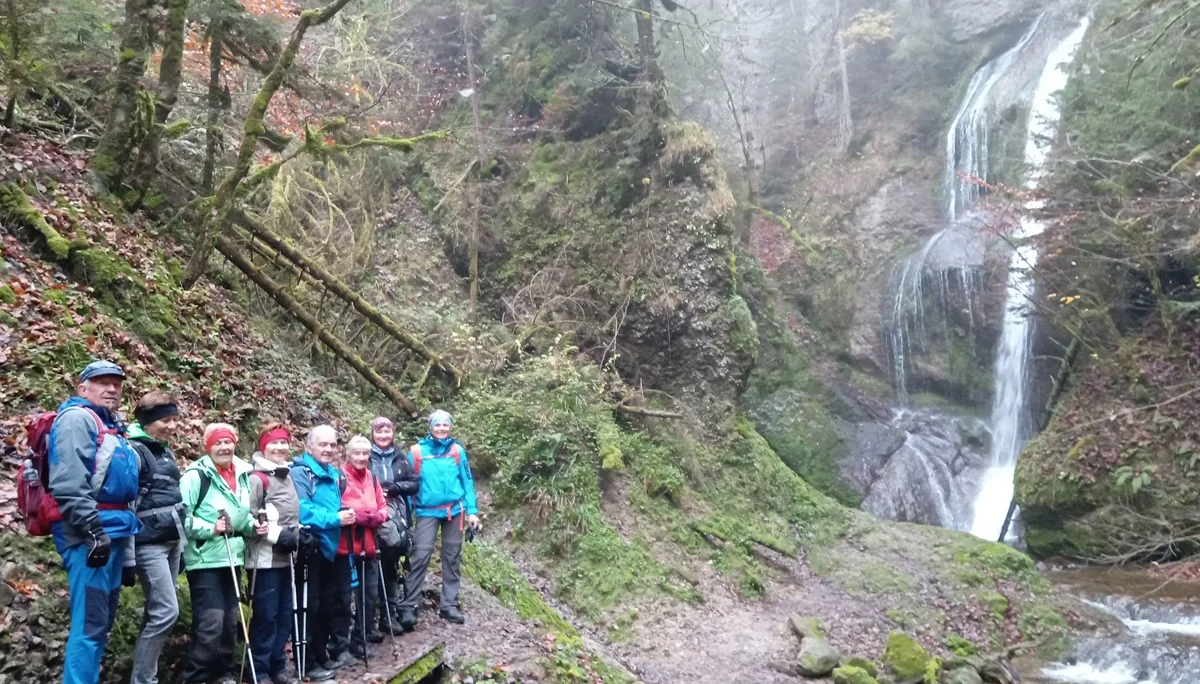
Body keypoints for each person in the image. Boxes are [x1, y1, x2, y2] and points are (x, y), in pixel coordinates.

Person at [47, 360, 141, 684]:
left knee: (99, 623)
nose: (112, 388)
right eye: (102, 382)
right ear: (82, 388)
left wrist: (126, 556)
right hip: (88, 536)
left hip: (112, 533)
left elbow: (125, 496)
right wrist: (92, 530)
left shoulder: (113, 426)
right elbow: (68, 483)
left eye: (116, 383)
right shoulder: (76, 419)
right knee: (89, 626)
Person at [179, 423, 266, 684]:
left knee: (230, 622)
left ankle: (222, 674)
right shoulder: (195, 477)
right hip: (204, 560)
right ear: (207, 446)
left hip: (232, 557)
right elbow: (180, 519)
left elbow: (241, 517)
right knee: (210, 625)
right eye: (218, 443)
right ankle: (195, 678)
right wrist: (211, 528)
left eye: (228, 442)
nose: (224, 447)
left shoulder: (241, 473)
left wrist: (254, 526)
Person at [398, 410, 481, 629]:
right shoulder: (416, 453)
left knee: (452, 557)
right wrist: (405, 516)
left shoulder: (457, 451)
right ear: (430, 427)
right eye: (438, 425)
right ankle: (409, 606)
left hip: (455, 510)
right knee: (420, 555)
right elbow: (408, 485)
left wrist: (472, 511)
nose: (442, 429)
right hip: (426, 511)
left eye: (446, 425)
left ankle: (449, 605)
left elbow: (467, 482)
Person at [127, 391, 185, 684]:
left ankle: (144, 676)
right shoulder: (135, 452)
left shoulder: (164, 449)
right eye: (166, 420)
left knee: (156, 612)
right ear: (148, 421)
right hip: (148, 543)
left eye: (174, 419)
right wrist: (127, 555)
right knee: (165, 612)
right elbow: (126, 502)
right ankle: (143, 680)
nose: (172, 426)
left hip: (171, 539)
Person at [291, 425, 356, 678]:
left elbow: (331, 505)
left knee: (326, 605)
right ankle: (305, 662)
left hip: (330, 548)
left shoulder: (333, 473)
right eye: (323, 445)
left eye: (332, 445)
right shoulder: (301, 474)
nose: (328, 449)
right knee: (310, 606)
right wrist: (336, 518)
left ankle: (320, 655)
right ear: (309, 447)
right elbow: (303, 510)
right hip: (310, 548)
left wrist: (343, 513)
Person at [245, 424, 302, 684]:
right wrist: (278, 536)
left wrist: (301, 534)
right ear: (262, 447)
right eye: (273, 444)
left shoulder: (287, 476)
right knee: (265, 617)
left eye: (283, 443)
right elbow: (247, 518)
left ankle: (277, 666)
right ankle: (259, 670)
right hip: (263, 560)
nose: (279, 448)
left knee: (284, 615)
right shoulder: (258, 478)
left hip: (286, 558)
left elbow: (289, 516)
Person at [367, 416, 418, 633]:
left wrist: (396, 487)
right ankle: (369, 621)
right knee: (370, 568)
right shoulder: (364, 455)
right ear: (373, 433)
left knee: (390, 566)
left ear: (393, 433)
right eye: (379, 431)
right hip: (370, 515)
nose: (383, 435)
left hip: (396, 518)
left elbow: (414, 483)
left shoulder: (401, 458)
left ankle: (388, 615)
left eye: (387, 431)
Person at [339, 435, 388, 659]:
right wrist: (366, 516)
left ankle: (361, 638)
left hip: (369, 546)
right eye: (356, 453)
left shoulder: (372, 478)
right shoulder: (339, 478)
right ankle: (338, 644)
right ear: (347, 454)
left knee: (369, 595)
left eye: (365, 453)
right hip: (346, 547)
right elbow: (341, 507)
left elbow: (383, 508)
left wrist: (371, 517)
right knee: (343, 597)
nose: (361, 457)